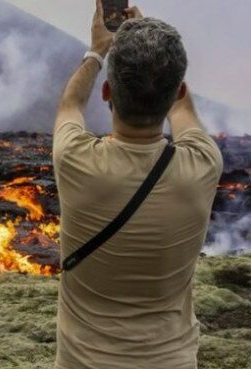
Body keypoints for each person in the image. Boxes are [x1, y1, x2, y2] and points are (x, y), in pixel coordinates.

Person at [52, 1, 223, 369]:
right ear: (177, 91)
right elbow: (184, 111)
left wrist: (98, 51)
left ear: (107, 92)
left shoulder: (76, 161)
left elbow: (70, 103)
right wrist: (154, 50)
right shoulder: (203, 163)